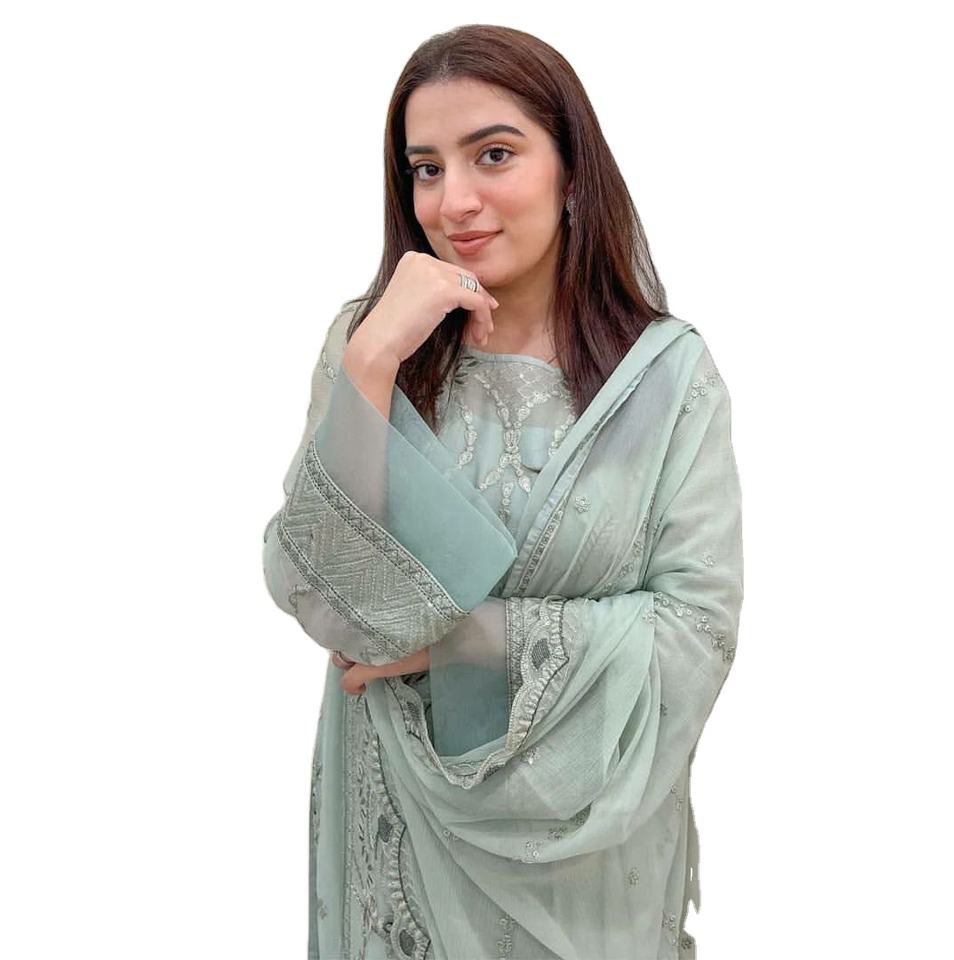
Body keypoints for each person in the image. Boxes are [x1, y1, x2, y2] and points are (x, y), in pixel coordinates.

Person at [262, 23, 743, 960]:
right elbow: (322, 594)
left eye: (493, 155)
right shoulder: (369, 352)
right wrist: (372, 359)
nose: (454, 201)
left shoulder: (666, 379)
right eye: (426, 168)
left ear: (573, 171)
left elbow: (697, 633)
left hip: (590, 874)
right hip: (400, 849)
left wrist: (460, 645)